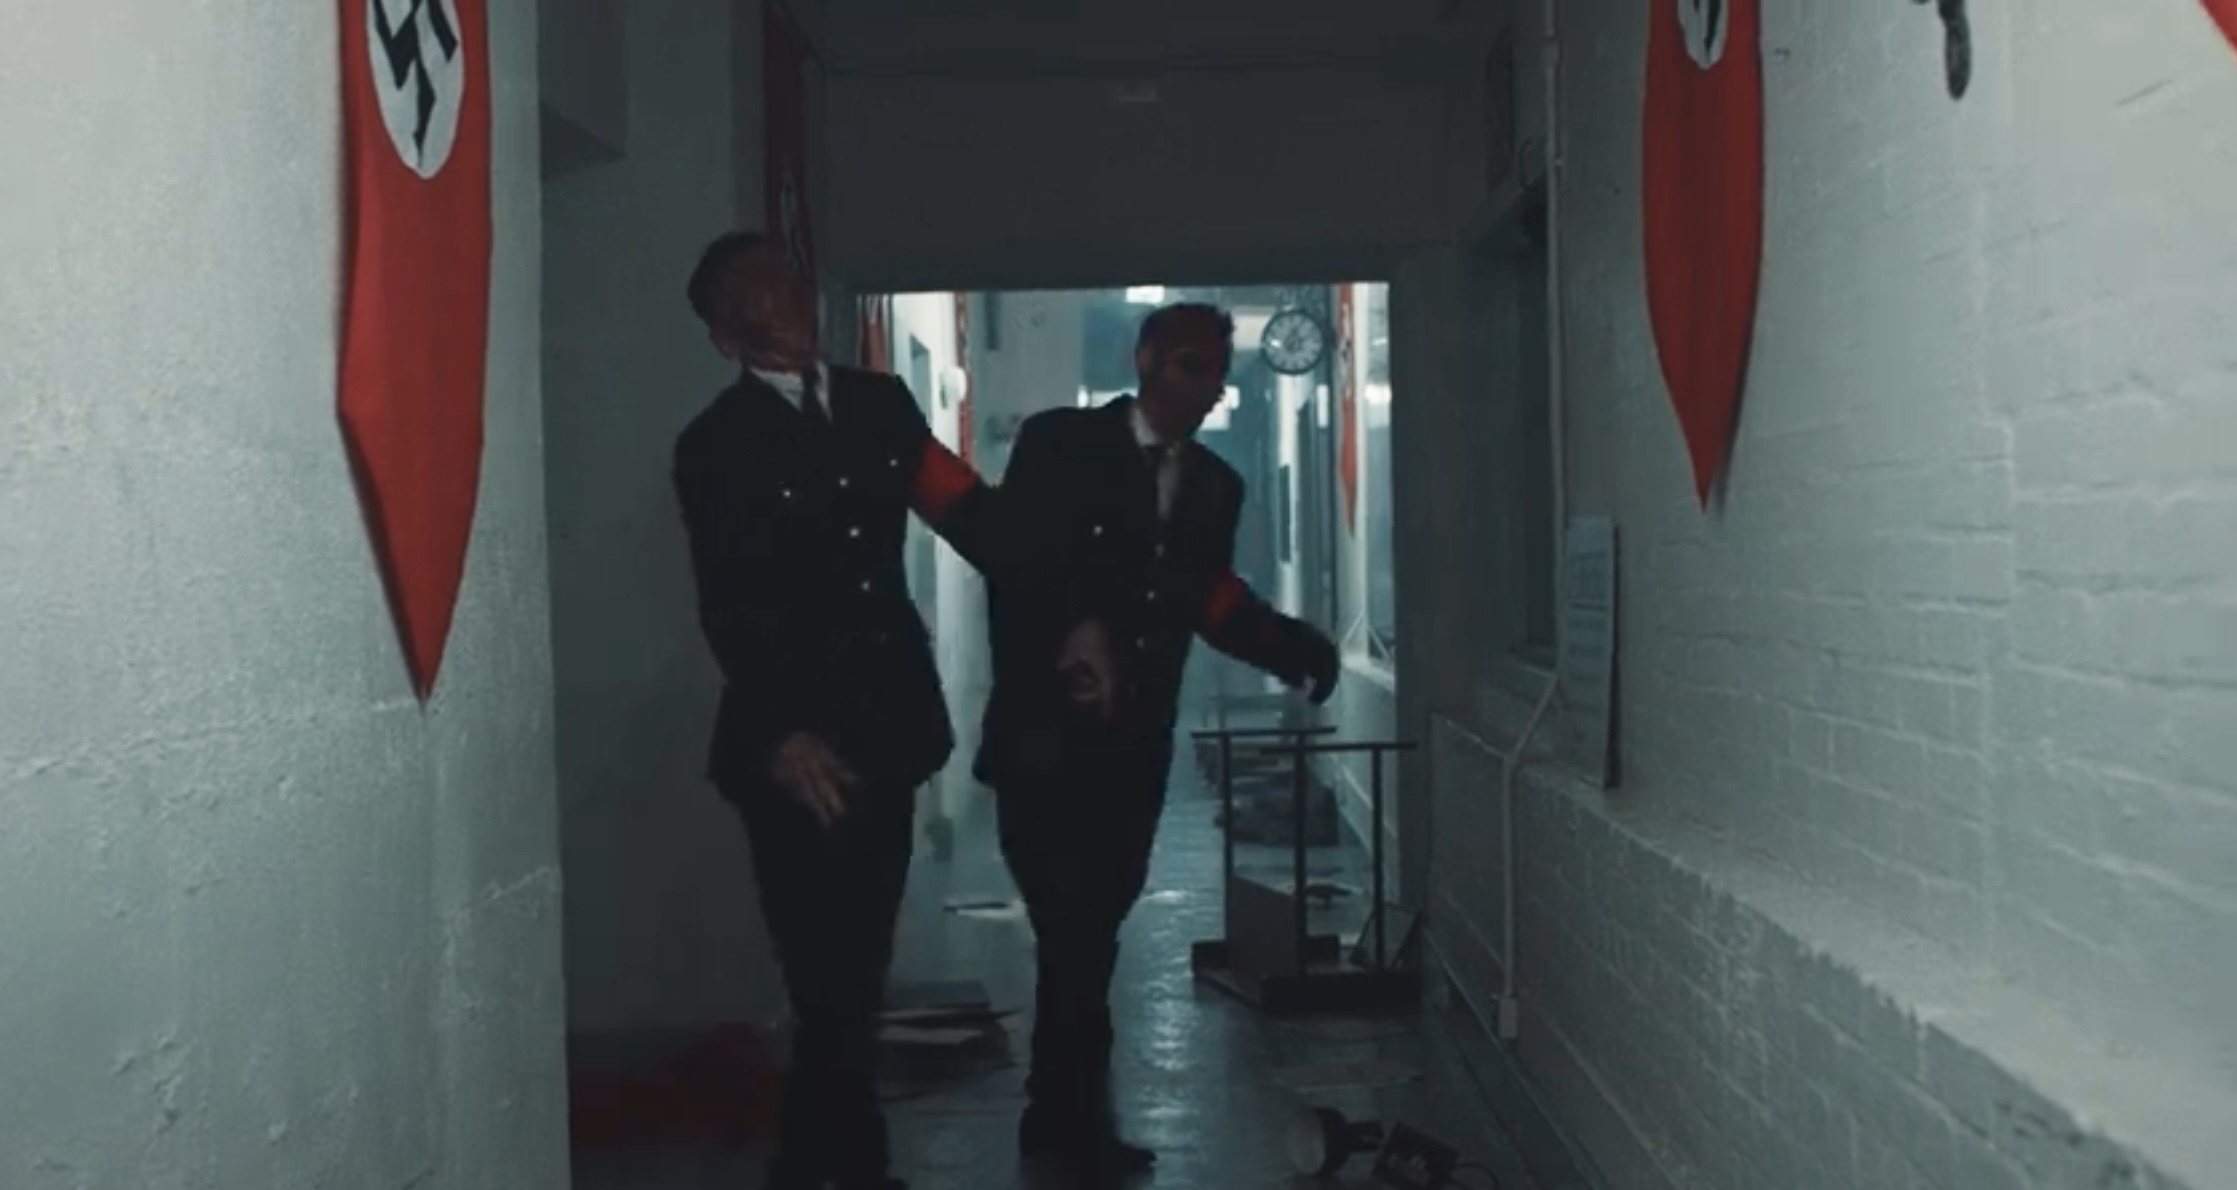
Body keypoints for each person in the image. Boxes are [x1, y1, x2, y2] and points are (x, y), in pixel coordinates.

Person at [974, 301, 1342, 1178]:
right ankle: (1064, 1123)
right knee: (1072, 937)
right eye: (1188, 365)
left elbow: (1206, 600)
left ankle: (1061, 1121)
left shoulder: (1213, 486)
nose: (1206, 387)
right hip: (1042, 747)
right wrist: (1074, 630)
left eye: (1216, 371)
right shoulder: (1061, 444)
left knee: (1088, 940)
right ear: (1144, 360)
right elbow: (1021, 560)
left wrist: (1294, 648)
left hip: (1131, 754)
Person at [669, 230, 997, 1190]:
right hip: (792, 748)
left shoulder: (878, 404)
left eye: (791, 286)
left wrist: (1058, 572)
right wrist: (780, 729)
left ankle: (819, 1162)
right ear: (727, 337)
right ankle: (840, 1166)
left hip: (886, 726)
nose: (788, 308)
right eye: (759, 300)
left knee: (859, 964)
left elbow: (963, 512)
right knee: (824, 971)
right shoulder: (714, 444)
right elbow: (728, 600)